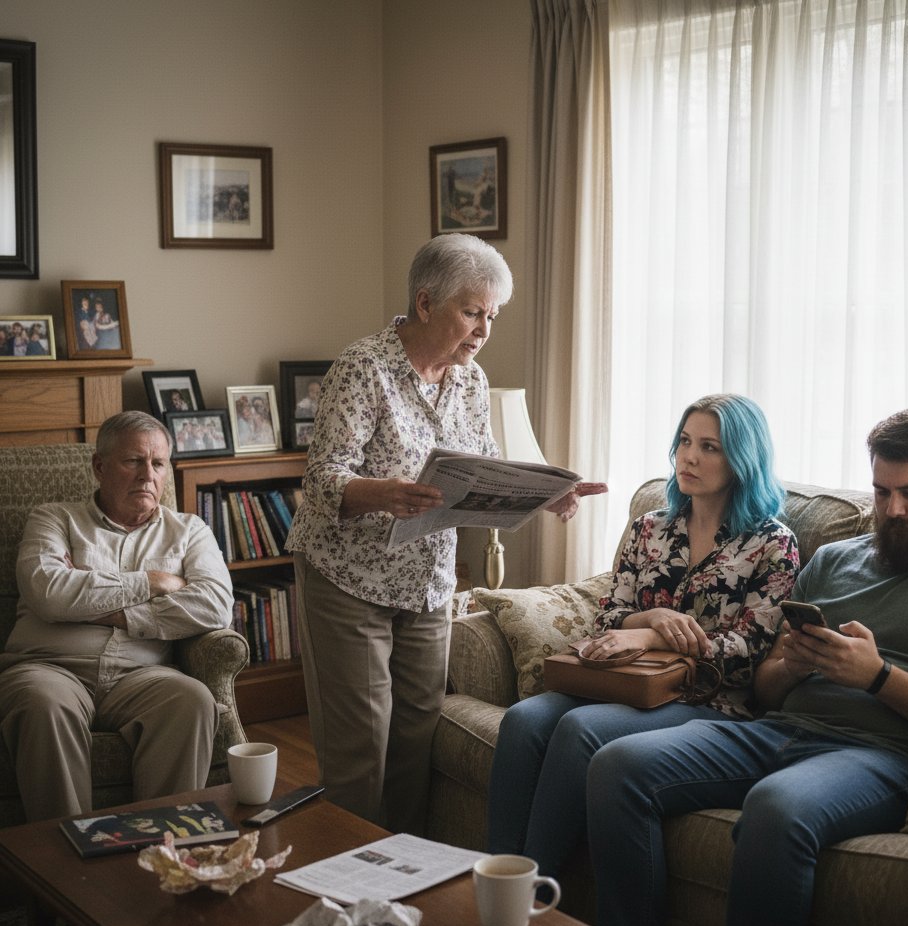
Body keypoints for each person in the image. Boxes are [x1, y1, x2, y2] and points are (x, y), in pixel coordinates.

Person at [586, 407, 908, 926]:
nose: (893, 510)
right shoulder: (834, 560)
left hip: (884, 756)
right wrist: (791, 666)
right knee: (617, 765)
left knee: (777, 806)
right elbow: (766, 690)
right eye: (881, 492)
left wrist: (877, 677)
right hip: (780, 729)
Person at [286, 232, 606, 835]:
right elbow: (323, 479)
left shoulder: (471, 381)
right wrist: (382, 492)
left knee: (416, 737)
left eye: (492, 316)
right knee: (360, 745)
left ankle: (405, 868)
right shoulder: (362, 367)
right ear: (426, 303)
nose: (483, 330)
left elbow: (485, 467)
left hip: (428, 578)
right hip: (348, 576)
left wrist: (545, 493)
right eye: (472, 312)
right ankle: (349, 872)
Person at [487, 394, 800, 880]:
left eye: (710, 447)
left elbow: (749, 652)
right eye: (684, 442)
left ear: (743, 459)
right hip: (623, 679)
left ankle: (532, 889)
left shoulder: (773, 544)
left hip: (708, 700)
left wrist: (654, 639)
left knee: (579, 729)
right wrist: (650, 619)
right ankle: (495, 874)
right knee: (524, 720)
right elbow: (608, 618)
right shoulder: (649, 528)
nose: (689, 457)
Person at [0, 411, 235, 825]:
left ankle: (161, 843)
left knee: (192, 700)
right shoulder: (53, 518)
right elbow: (48, 593)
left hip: (142, 675)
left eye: (158, 463)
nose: (148, 475)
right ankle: (66, 849)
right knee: (44, 704)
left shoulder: (189, 530)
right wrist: (155, 581)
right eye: (133, 461)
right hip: (49, 667)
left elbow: (215, 605)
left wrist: (104, 608)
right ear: (99, 466)